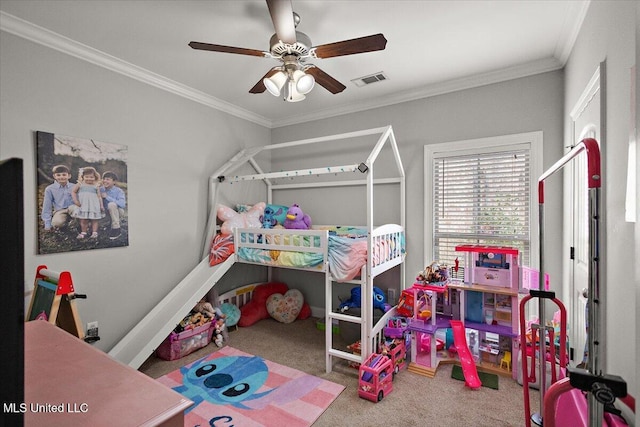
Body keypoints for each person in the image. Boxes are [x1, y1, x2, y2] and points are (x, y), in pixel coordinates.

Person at [41, 164, 78, 231]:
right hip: (60, 210)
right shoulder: (50, 189)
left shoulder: (75, 186)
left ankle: (77, 224)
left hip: (73, 208)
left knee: (78, 212)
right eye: (58, 175)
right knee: (57, 224)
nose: (61, 177)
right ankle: (66, 223)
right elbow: (47, 207)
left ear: (69, 176)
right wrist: (47, 224)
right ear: (54, 176)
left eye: (64, 175)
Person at [71, 167, 105, 239]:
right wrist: (76, 201)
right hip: (83, 205)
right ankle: (84, 232)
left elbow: (99, 196)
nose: (89, 178)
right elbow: (73, 192)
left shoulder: (96, 185)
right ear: (83, 177)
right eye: (87, 177)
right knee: (83, 219)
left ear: (95, 177)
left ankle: (94, 233)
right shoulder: (80, 184)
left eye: (91, 177)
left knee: (94, 219)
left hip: (94, 205)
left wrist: (101, 206)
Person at [100, 171, 126, 239]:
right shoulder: (100, 189)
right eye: (104, 179)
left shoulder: (119, 191)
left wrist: (107, 197)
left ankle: (116, 229)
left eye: (108, 179)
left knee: (111, 204)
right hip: (105, 213)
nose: (105, 181)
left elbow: (122, 204)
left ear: (114, 182)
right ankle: (109, 224)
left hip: (118, 212)